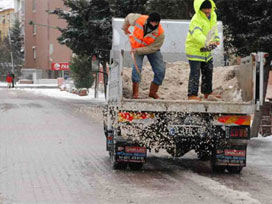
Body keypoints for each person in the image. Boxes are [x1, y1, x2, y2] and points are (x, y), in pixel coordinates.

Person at [122, 12, 166, 99]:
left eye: (156, 23)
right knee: (136, 69)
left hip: (151, 49)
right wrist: (125, 28)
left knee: (160, 70)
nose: (153, 24)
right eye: (152, 22)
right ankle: (135, 93)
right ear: (148, 20)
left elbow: (152, 48)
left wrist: (138, 50)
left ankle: (153, 92)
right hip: (137, 47)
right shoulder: (139, 19)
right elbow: (128, 17)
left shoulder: (160, 33)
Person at [185, 0, 221, 101]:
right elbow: (196, 34)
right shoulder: (196, 19)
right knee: (195, 72)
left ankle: (207, 92)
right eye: (205, 9)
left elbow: (214, 29)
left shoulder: (213, 15)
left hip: (206, 49)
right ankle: (192, 95)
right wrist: (207, 42)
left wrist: (216, 39)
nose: (207, 11)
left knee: (208, 70)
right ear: (200, 9)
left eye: (209, 9)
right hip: (194, 49)